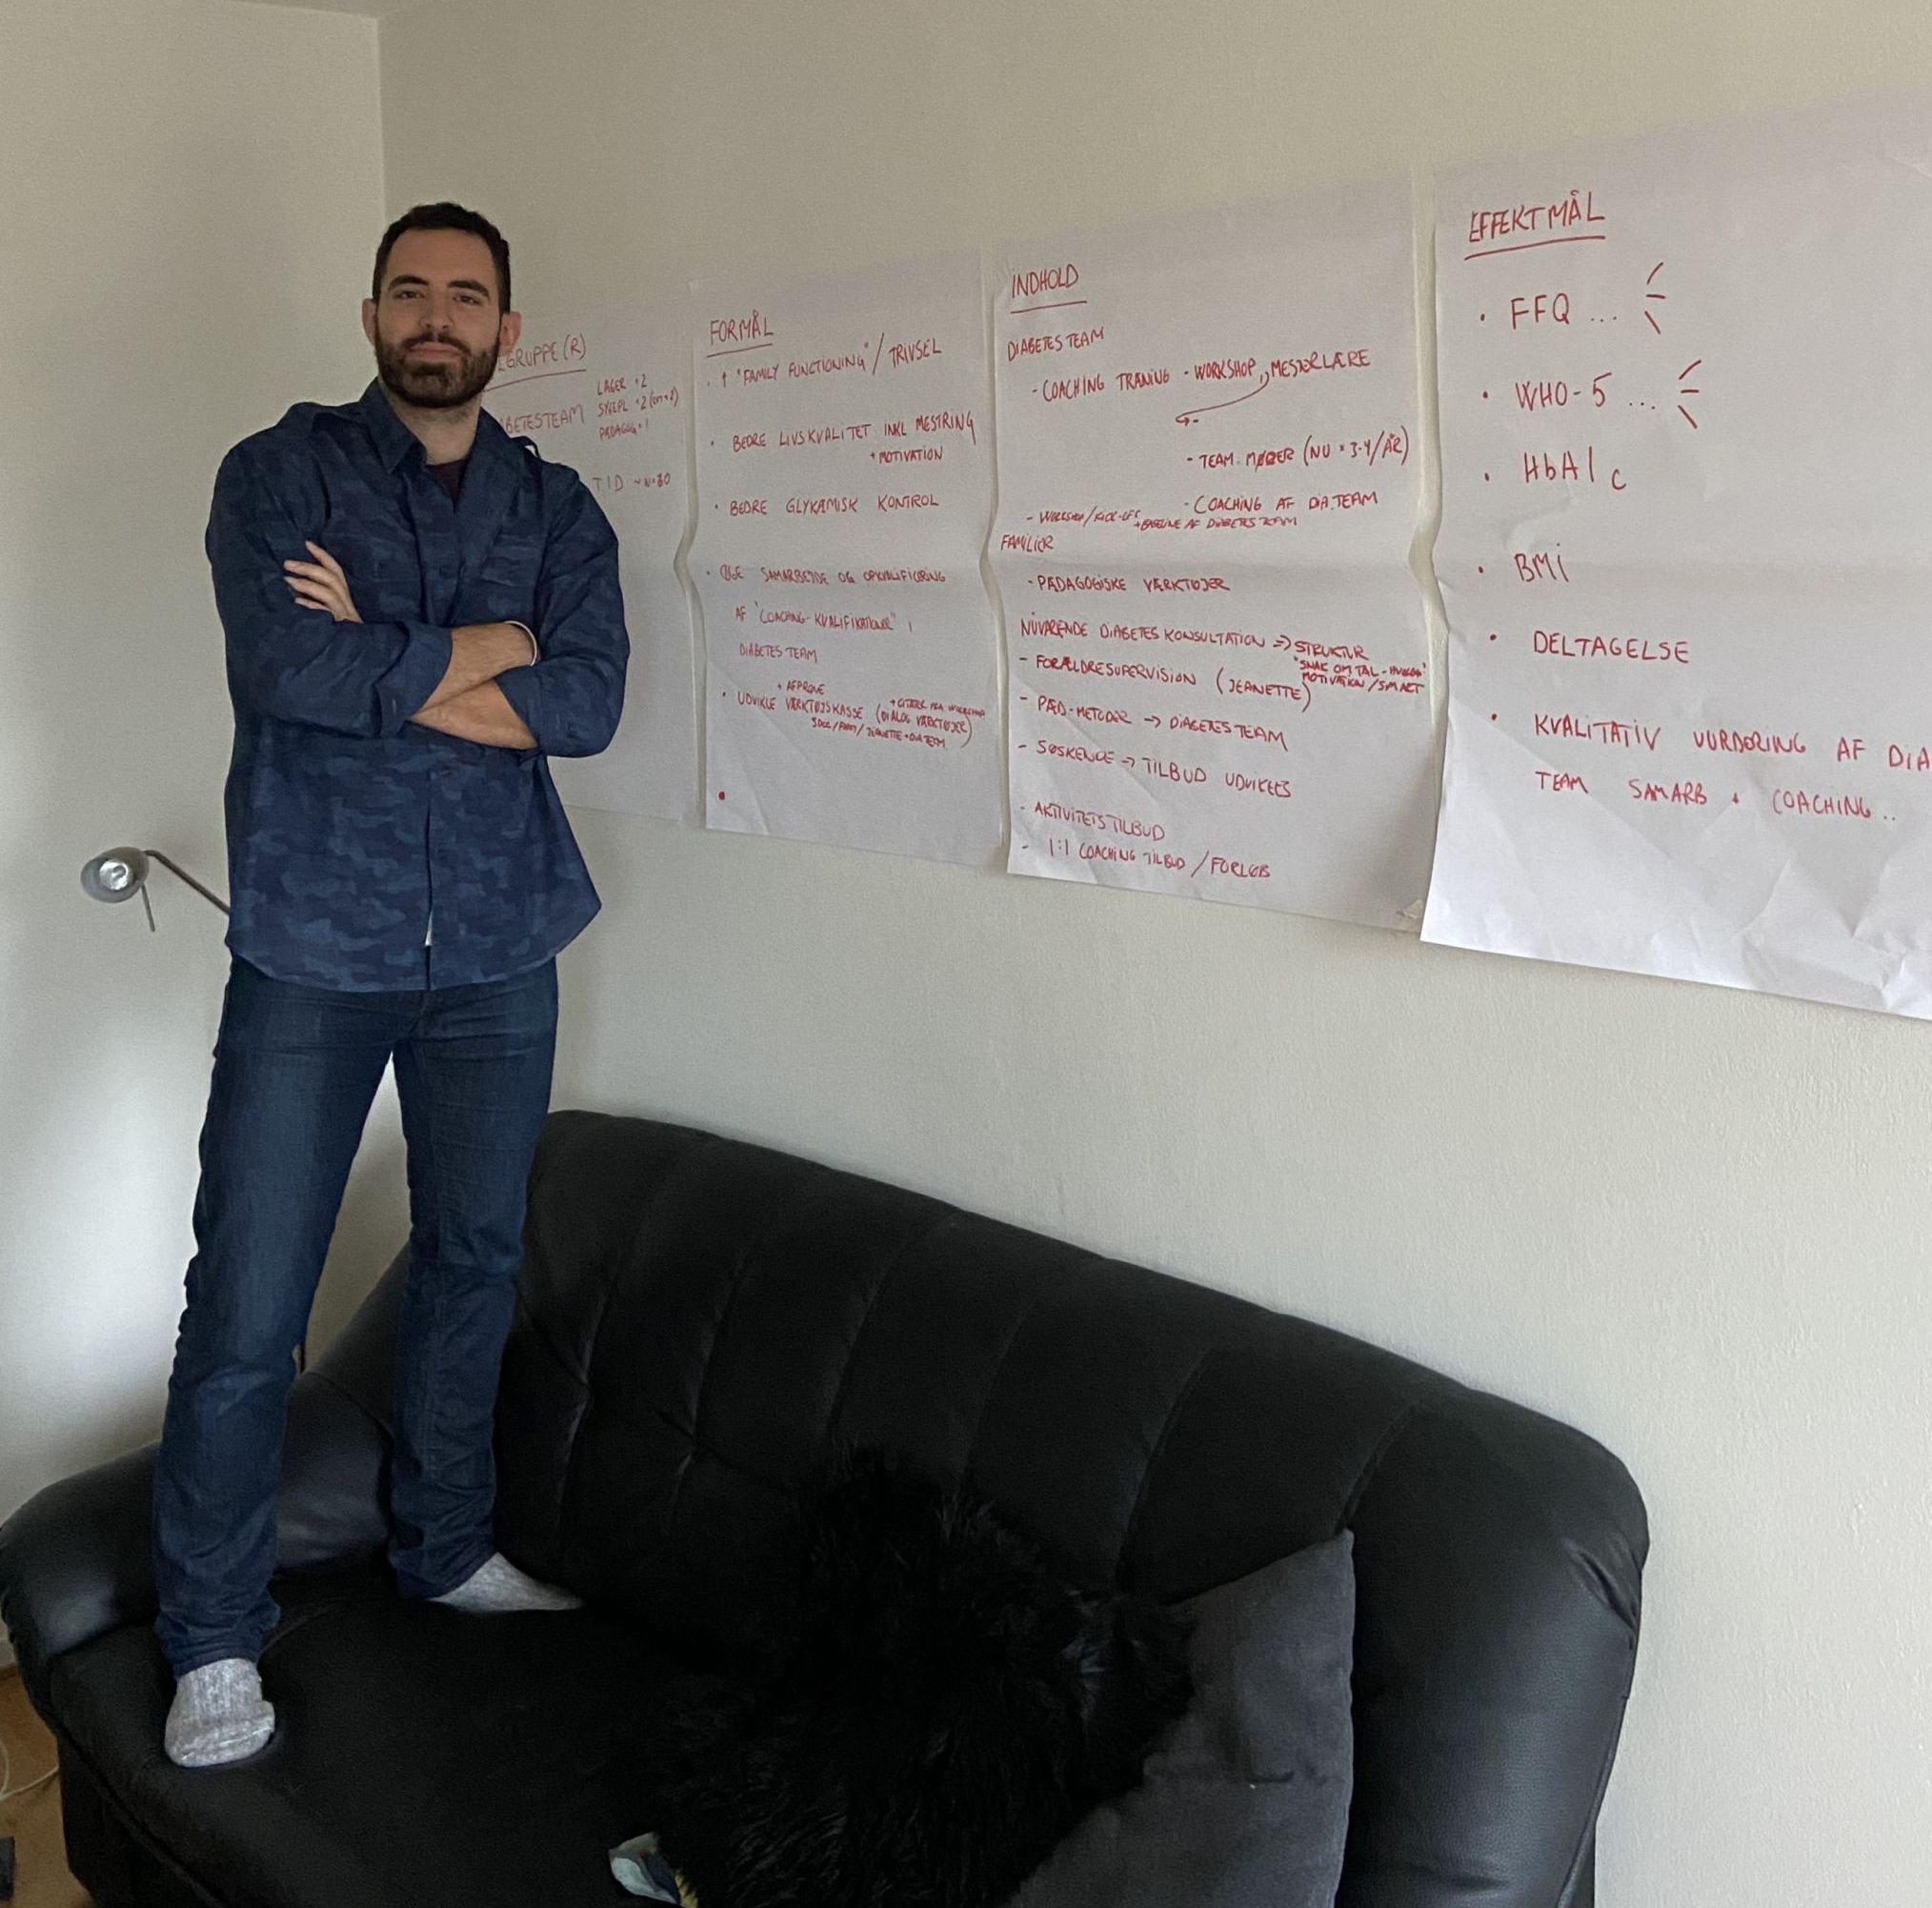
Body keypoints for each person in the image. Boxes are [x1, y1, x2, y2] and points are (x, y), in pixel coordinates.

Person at [152, 202, 629, 1768]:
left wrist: (402, 658)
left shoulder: (560, 508)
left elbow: (590, 707)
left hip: (501, 947)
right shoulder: (278, 473)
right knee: (248, 1304)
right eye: (411, 292)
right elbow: (287, 672)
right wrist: (485, 647)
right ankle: (213, 1639)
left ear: (509, 332)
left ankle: (445, 1545)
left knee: (473, 1265)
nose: (438, 317)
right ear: (370, 315)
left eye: (468, 296)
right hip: (314, 948)